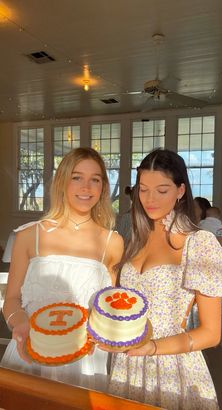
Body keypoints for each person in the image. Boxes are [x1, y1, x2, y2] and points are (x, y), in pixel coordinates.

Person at [103, 148, 222, 409]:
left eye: (162, 190)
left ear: (180, 191)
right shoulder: (135, 239)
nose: (150, 199)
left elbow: (211, 334)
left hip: (171, 367)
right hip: (127, 363)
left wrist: (152, 347)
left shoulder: (199, 243)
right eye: (143, 189)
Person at [1, 147, 124, 391]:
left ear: (103, 188)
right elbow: (12, 299)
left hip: (86, 361)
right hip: (30, 348)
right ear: (61, 181)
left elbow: (111, 308)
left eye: (95, 180)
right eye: (76, 177)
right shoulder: (29, 235)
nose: (86, 188)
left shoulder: (113, 242)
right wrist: (21, 325)